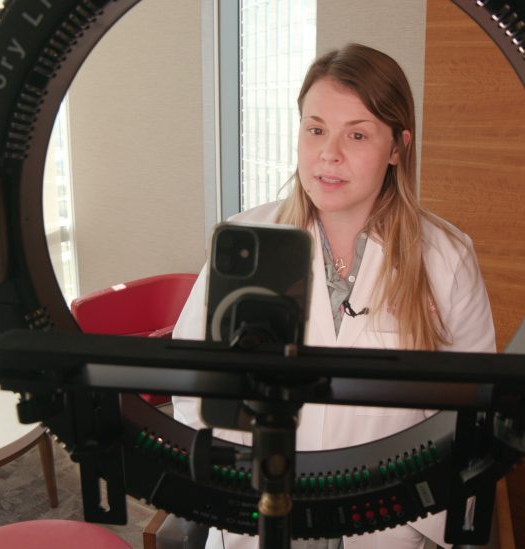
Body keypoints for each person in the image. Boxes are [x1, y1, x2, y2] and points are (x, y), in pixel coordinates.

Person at [172, 43, 496, 549]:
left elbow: (473, 411)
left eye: (357, 134)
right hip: (260, 511)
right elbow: (192, 388)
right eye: (316, 129)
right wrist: (236, 492)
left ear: (397, 147)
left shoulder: (446, 257)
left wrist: (417, 511)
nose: (329, 154)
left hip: (391, 519)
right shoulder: (245, 239)